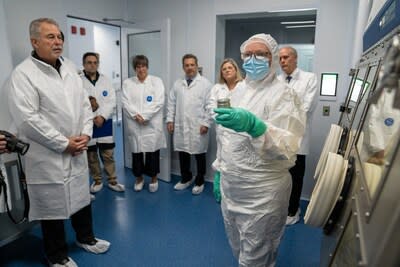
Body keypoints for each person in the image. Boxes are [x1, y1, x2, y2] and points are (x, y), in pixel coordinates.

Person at [7, 18, 110, 267]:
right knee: (51, 205)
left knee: (80, 197)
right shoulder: (23, 75)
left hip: (77, 148)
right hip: (47, 154)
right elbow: (27, 120)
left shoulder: (70, 68)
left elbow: (85, 105)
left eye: (59, 37)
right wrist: (63, 143)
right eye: (50, 37)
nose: (58, 41)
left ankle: (86, 238)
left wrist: (86, 134)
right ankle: (56, 255)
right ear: (34, 41)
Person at [213, 33, 306, 266]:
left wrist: (256, 127)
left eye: (261, 54)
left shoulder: (285, 94)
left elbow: (288, 147)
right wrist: (219, 169)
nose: (253, 59)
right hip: (232, 188)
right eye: (248, 54)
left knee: (255, 255)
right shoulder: (236, 92)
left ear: (273, 58)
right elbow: (224, 137)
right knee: (238, 246)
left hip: (263, 193)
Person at [278, 46, 318, 225]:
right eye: (280, 58)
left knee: (295, 177)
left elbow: (306, 109)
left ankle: (293, 211)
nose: (282, 61)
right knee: (279, 177)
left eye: (286, 57)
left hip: (298, 139)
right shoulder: (277, 81)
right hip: (278, 139)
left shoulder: (309, 79)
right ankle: (281, 208)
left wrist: (282, 112)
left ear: (295, 59)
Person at [166, 54, 212, 195]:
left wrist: (206, 123)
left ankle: (199, 181)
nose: (190, 67)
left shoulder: (205, 84)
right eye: (187, 65)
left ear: (197, 66)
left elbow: (210, 106)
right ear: (183, 67)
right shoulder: (177, 83)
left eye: (192, 65)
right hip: (181, 125)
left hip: (198, 126)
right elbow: (171, 103)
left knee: (199, 154)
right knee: (183, 153)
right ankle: (186, 178)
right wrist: (170, 120)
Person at [81, 52, 125, 193]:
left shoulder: (105, 80)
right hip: (88, 123)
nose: (92, 65)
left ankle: (112, 181)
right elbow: (77, 102)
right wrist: (92, 116)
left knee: (108, 154)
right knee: (92, 155)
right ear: (84, 64)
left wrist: (103, 117)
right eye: (89, 62)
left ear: (98, 64)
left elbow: (111, 100)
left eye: (95, 62)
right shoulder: (78, 81)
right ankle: (97, 180)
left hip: (104, 122)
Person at [122, 55, 166, 192]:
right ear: (135, 68)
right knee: (137, 152)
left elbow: (159, 101)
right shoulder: (128, 83)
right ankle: (139, 178)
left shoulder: (156, 81)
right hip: (135, 124)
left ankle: (153, 178)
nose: (141, 69)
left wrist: (145, 116)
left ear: (147, 67)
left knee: (152, 151)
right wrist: (136, 115)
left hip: (151, 123)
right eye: (138, 66)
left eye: (143, 66)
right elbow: (125, 101)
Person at [207, 58, 245, 202]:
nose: (227, 70)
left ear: (236, 70)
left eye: (230, 68)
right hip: (222, 131)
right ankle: (221, 194)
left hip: (240, 132)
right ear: (221, 73)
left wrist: (235, 120)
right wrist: (221, 119)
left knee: (237, 162)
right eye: (224, 69)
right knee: (222, 160)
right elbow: (211, 107)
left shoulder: (245, 86)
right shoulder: (217, 88)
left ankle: (236, 195)